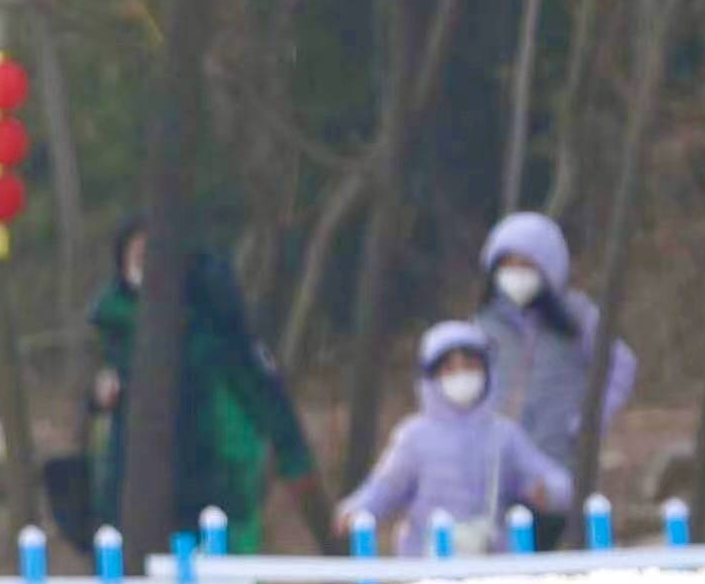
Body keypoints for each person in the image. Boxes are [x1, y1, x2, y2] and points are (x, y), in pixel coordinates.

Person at [86, 224, 326, 553]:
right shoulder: (112, 327)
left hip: (216, 484)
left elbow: (263, 396)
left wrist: (291, 461)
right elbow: (95, 398)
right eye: (138, 257)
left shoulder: (213, 330)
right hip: (134, 492)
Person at [342, 322, 573, 556]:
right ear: (432, 377)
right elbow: (387, 486)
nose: (461, 375)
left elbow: (551, 478)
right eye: (450, 369)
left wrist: (549, 491)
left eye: (470, 366)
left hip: (491, 564)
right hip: (427, 561)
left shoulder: (504, 435)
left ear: (487, 372)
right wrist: (357, 510)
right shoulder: (414, 437)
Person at [472, 213, 635, 500]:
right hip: (498, 468)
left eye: (525, 265)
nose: (515, 274)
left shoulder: (579, 319)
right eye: (507, 265)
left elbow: (620, 365)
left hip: (562, 460)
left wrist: (589, 420)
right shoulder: (484, 327)